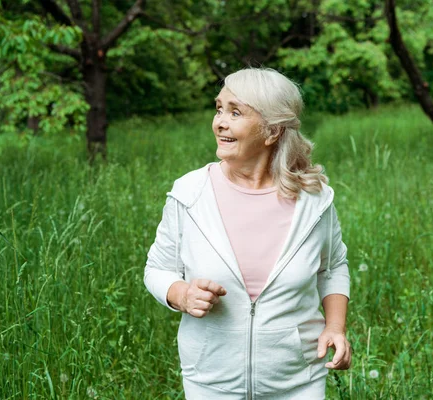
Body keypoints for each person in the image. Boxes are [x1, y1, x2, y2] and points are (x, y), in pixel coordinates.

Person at [144, 67, 351, 399]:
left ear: (271, 132)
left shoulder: (314, 201)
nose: (220, 122)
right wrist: (180, 294)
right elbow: (157, 268)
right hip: (211, 379)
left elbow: (333, 267)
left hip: (298, 379)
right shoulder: (190, 193)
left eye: (235, 112)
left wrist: (335, 327)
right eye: (219, 108)